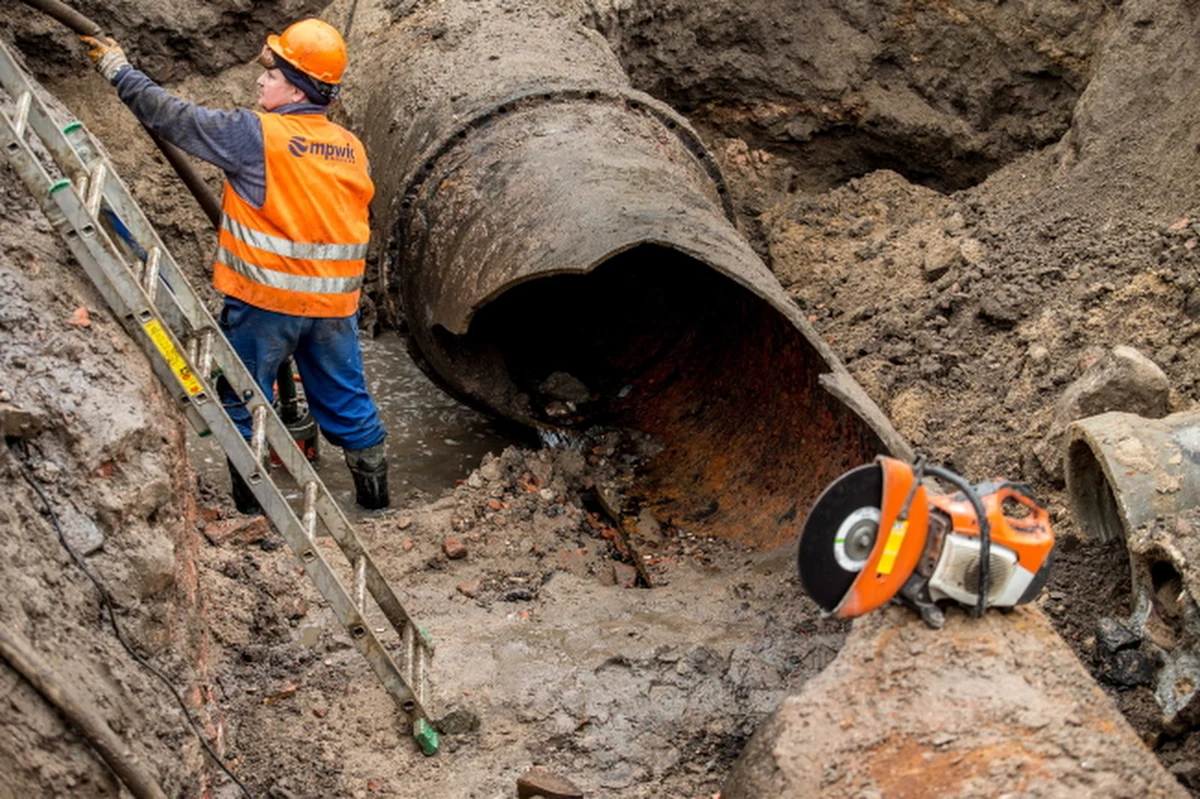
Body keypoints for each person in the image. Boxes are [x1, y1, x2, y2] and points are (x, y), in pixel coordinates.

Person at [81, 20, 390, 511]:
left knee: (239, 401)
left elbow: (172, 117)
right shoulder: (351, 148)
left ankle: (253, 514)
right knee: (349, 405)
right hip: (334, 307)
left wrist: (119, 70)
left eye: (271, 74)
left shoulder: (255, 135)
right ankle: (377, 509)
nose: (260, 82)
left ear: (295, 87)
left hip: (265, 304)